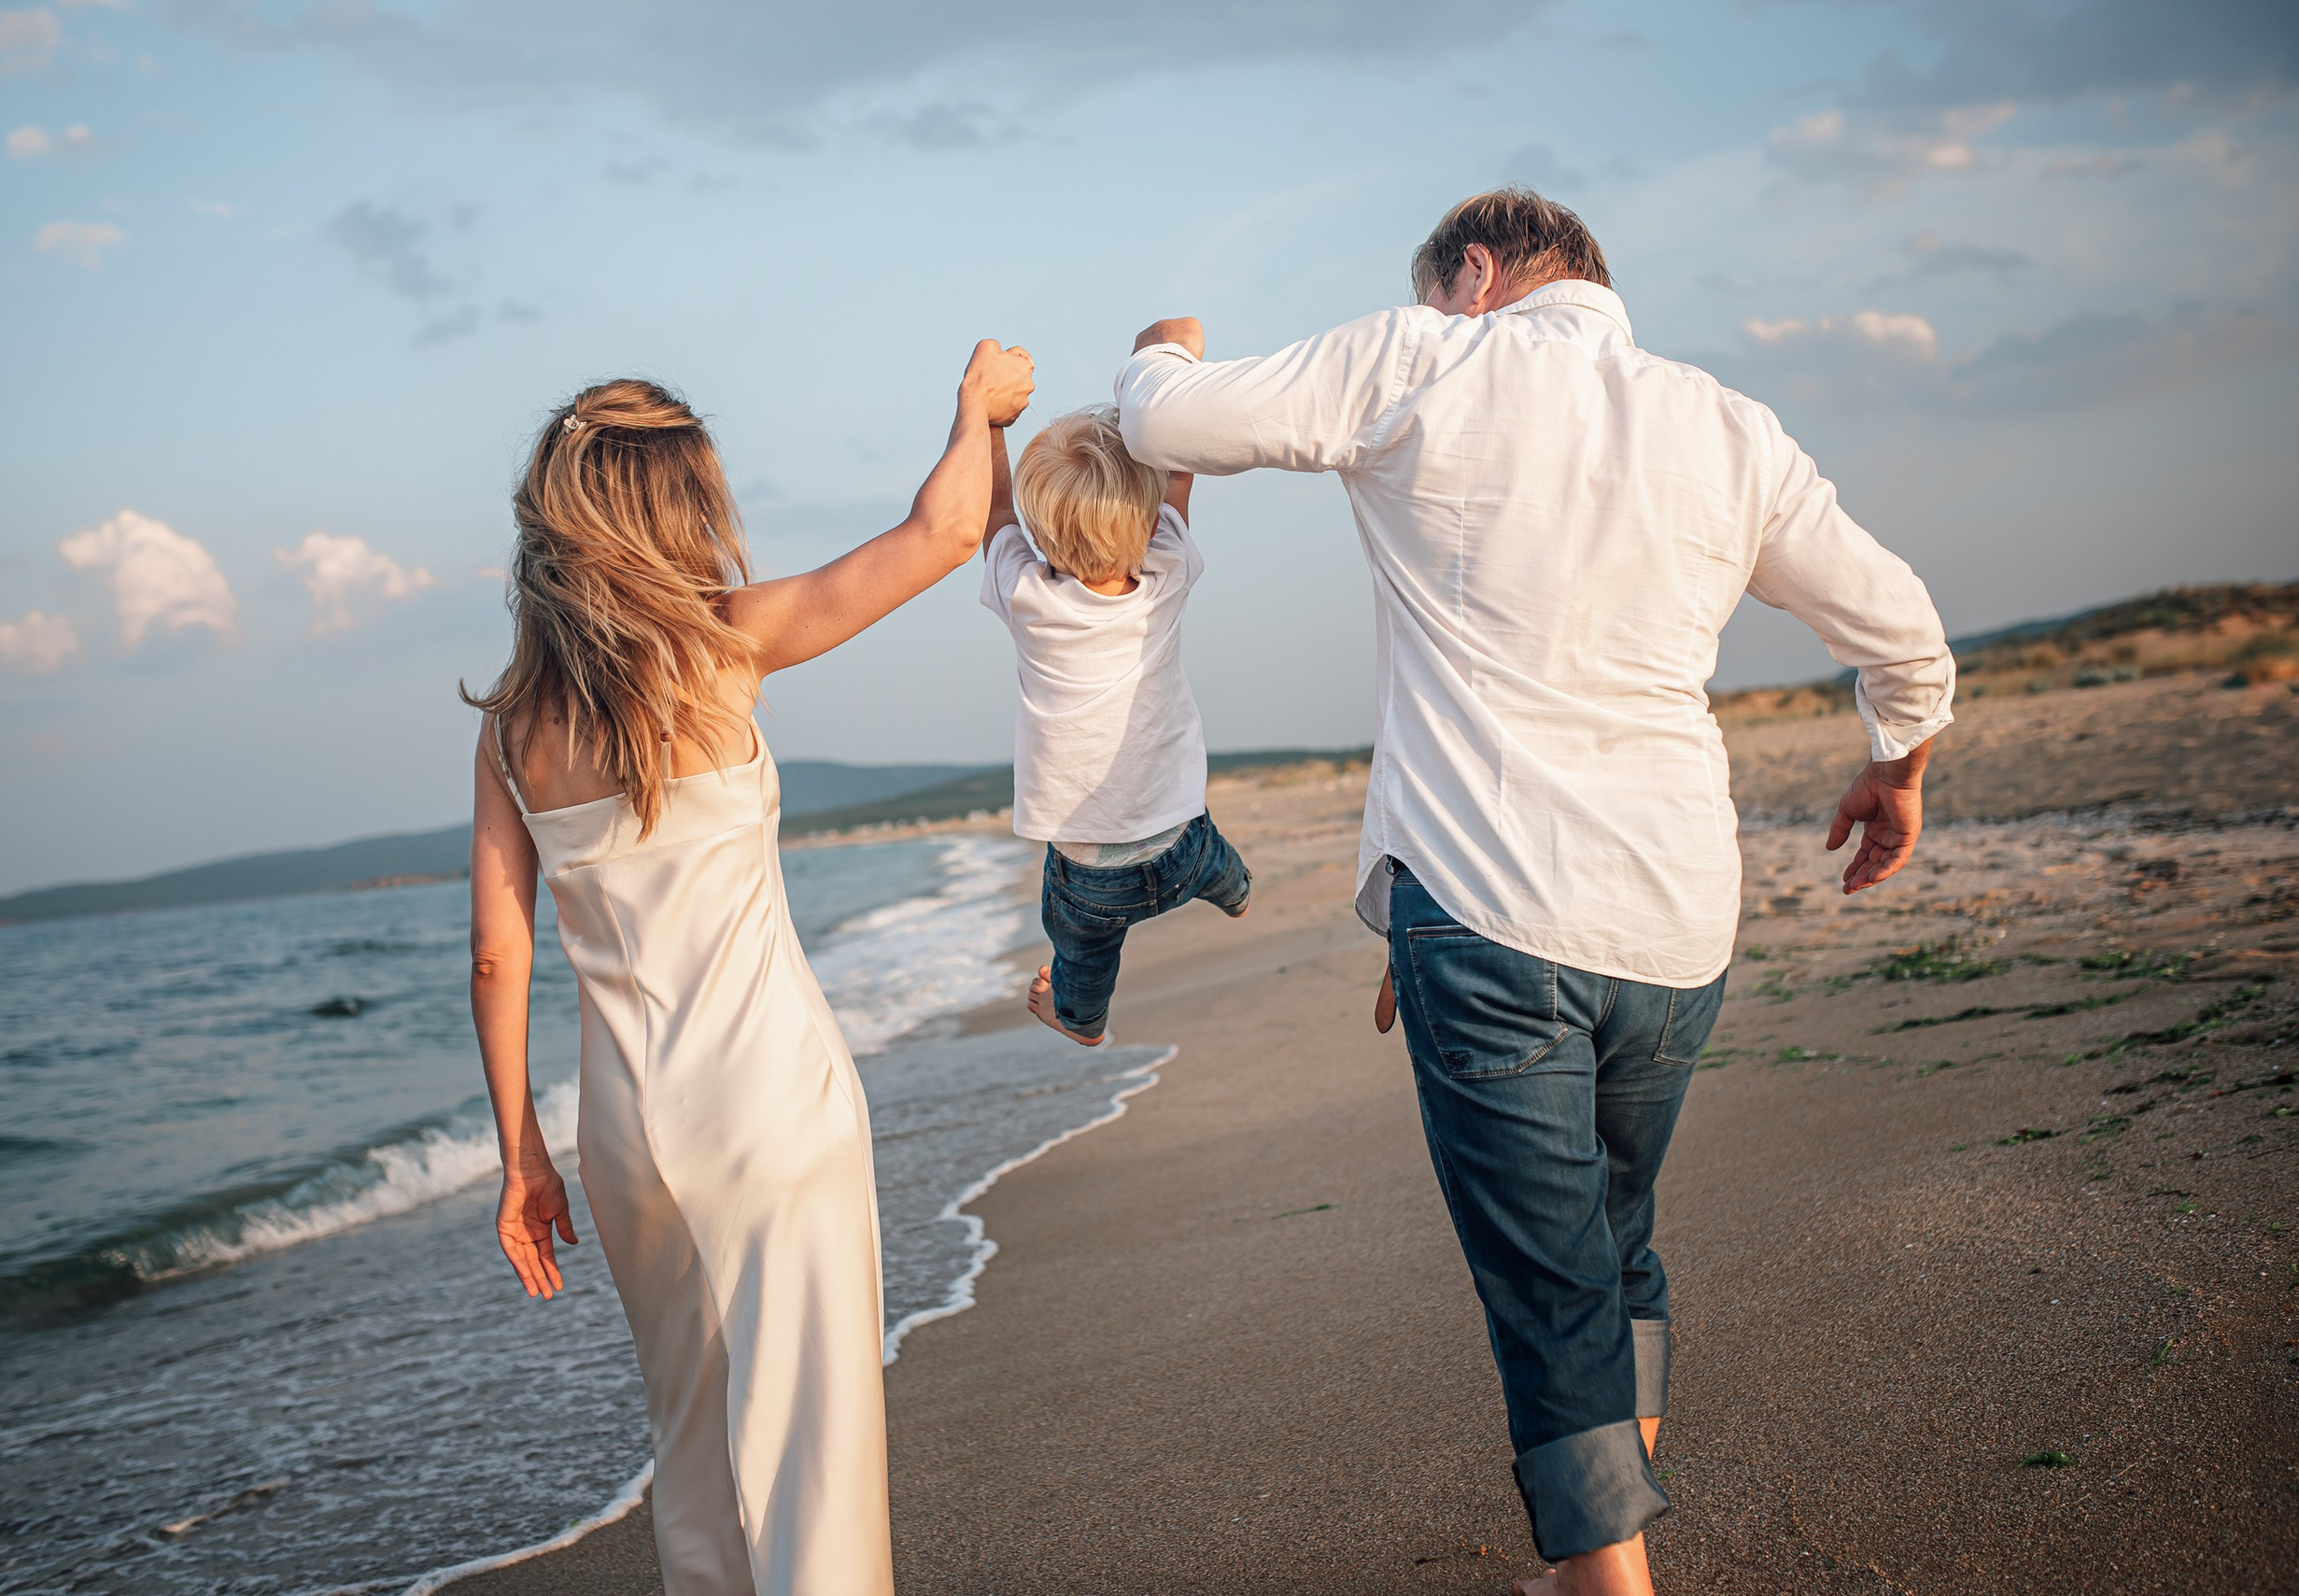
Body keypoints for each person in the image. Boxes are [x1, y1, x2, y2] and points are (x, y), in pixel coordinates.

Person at [1114, 189, 1953, 1596]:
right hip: (1677, 923)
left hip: (1487, 910)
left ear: (1476, 272)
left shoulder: (1425, 355)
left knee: (1549, 1280)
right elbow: (1905, 633)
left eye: (1439, 294)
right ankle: (1598, 1553)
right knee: (1610, 1241)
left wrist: (1161, 345)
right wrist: (1896, 766)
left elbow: (1165, 424)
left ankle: (1607, 1579)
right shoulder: (1728, 425)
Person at [462, 343, 1035, 1596]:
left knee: (693, 1446)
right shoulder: (724, 646)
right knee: (809, 1450)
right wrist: (977, 409)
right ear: (679, 505)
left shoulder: (512, 726)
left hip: (625, 1133)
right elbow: (945, 533)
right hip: (769, 1097)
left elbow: (498, 955)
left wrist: (522, 1159)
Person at [977, 403, 1253, 1046]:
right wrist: (1169, 393)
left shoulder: (1027, 598)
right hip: (1182, 844)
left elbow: (995, 514)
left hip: (1090, 878)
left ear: (1040, 540)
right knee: (1214, 859)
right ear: (1151, 523)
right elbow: (1179, 477)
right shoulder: (1169, 572)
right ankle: (1236, 891)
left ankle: (1082, 1019)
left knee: (1081, 951)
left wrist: (991, 424)